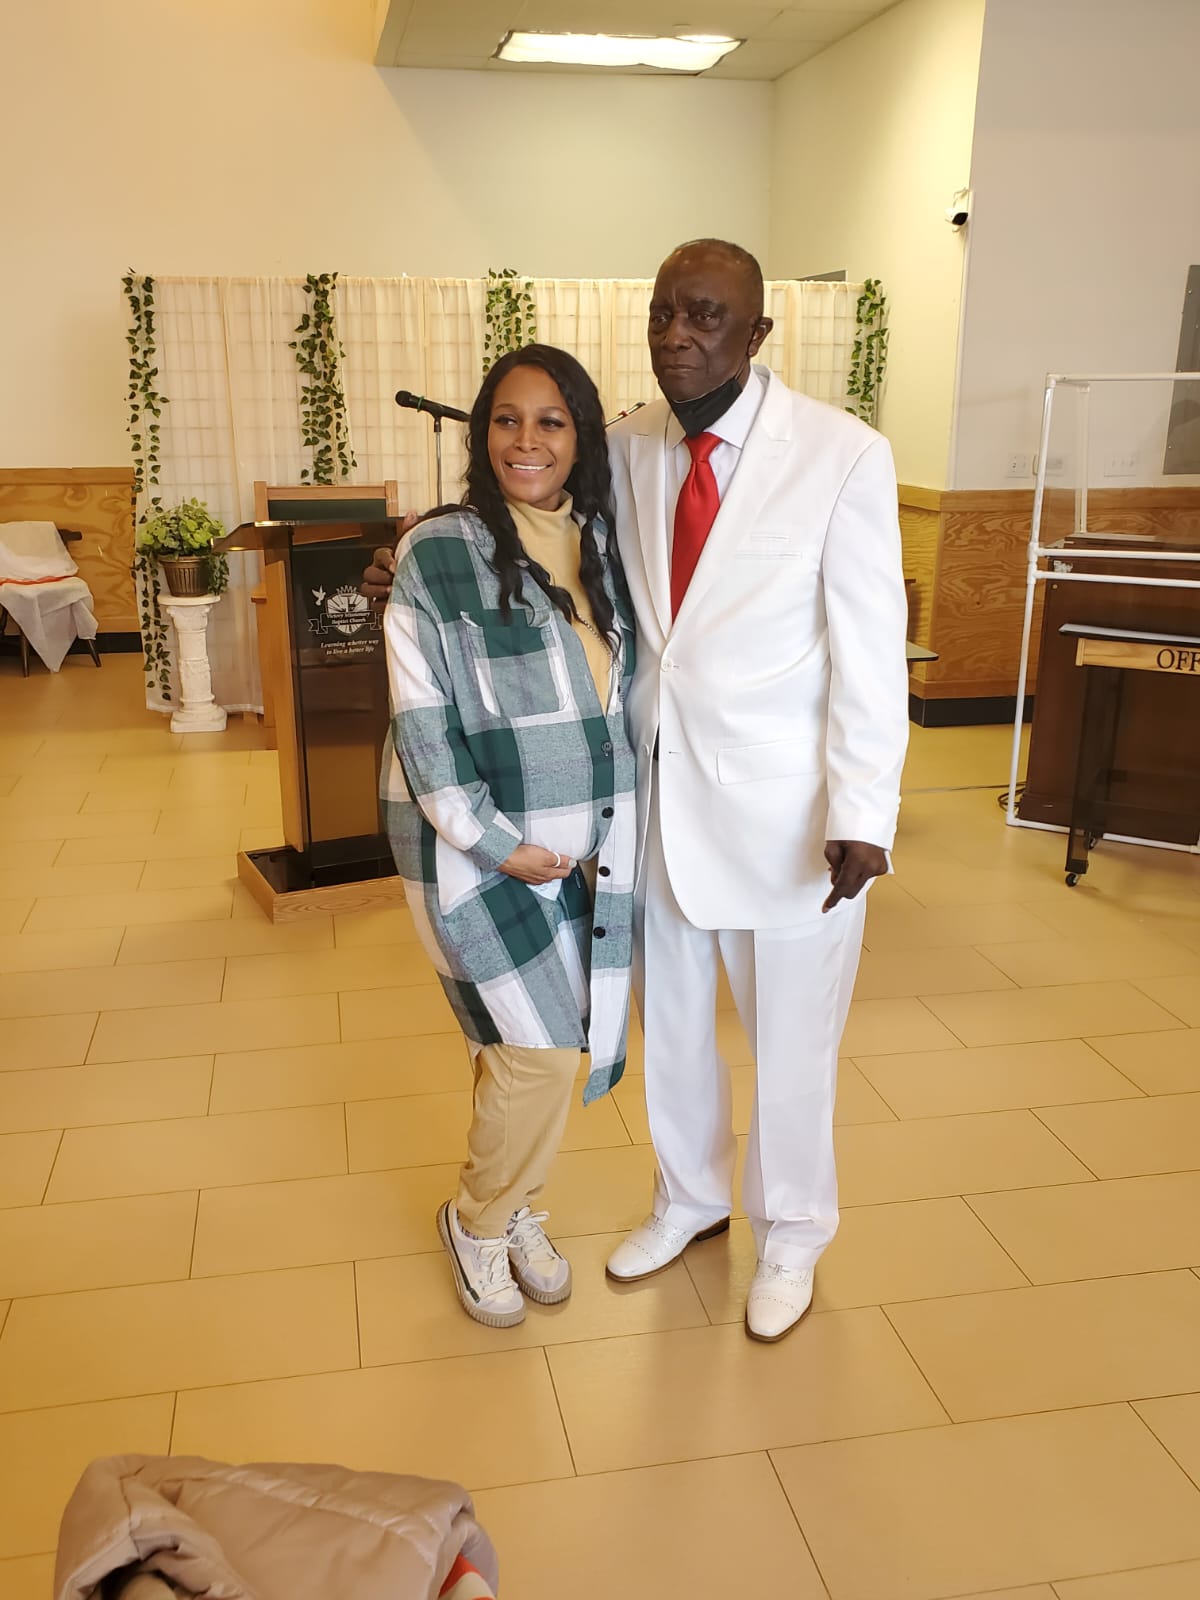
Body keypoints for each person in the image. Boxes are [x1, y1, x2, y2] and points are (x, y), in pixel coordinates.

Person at [365, 242, 908, 1343]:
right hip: (649, 803)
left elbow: (871, 646)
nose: (678, 334)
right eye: (664, 313)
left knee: (792, 1038)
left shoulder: (842, 456)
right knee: (671, 1026)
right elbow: (524, 497)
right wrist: (406, 553)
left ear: (756, 335)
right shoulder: (631, 443)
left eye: (706, 316)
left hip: (792, 817)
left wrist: (864, 806)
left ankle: (793, 1231)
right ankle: (689, 1199)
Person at [380, 344, 637, 1330]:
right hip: (472, 847)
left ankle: (520, 1203)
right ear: (482, 433)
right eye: (506, 420)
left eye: (551, 422)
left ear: (581, 439)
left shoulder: (603, 543)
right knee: (537, 1047)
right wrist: (488, 838)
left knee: (531, 1042)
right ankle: (478, 1222)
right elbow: (422, 717)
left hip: (589, 846)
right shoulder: (438, 551)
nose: (526, 441)